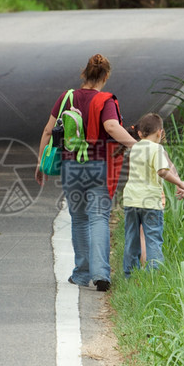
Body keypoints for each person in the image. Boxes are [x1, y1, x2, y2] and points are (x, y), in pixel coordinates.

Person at [35, 53, 136, 291]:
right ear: (106, 75)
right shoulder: (105, 100)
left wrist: (41, 163)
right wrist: (136, 144)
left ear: (85, 73)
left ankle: (81, 274)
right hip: (97, 166)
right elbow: (111, 126)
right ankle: (101, 275)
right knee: (99, 218)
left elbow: (49, 131)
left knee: (79, 219)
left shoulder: (66, 97)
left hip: (70, 168)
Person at [122, 112, 184, 277]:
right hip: (150, 202)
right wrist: (179, 183)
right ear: (160, 132)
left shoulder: (135, 147)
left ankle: (129, 274)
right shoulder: (157, 149)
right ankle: (154, 275)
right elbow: (162, 172)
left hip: (131, 200)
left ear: (139, 133)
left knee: (131, 237)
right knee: (153, 238)